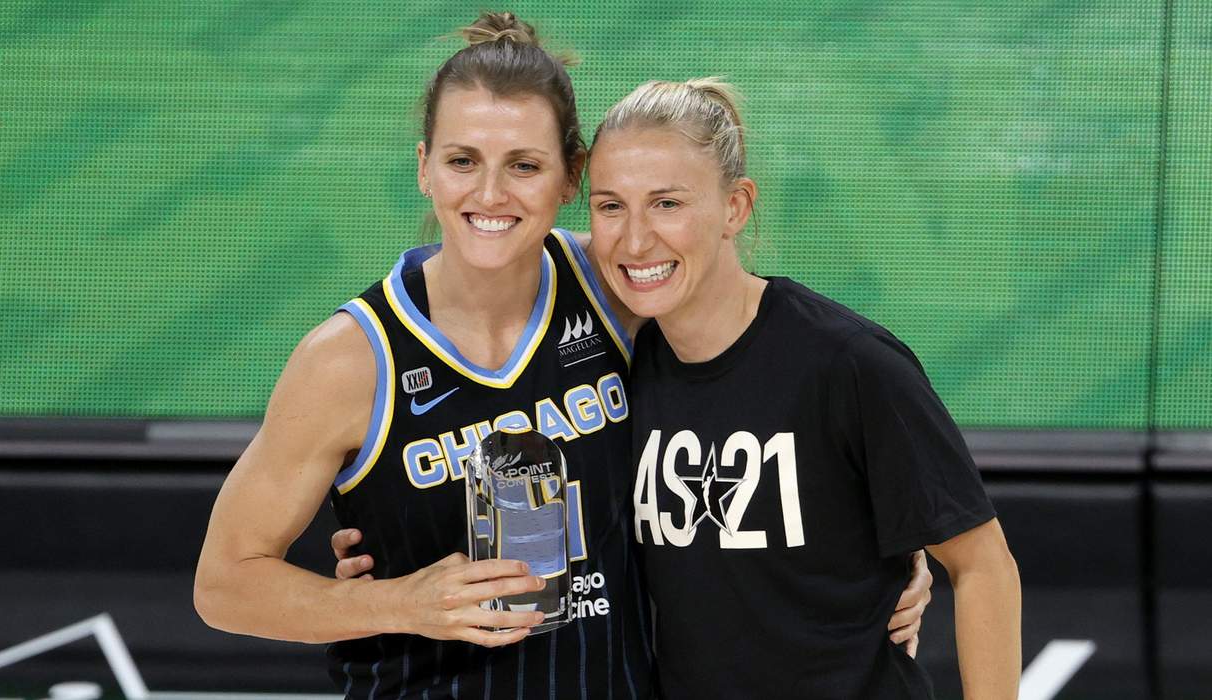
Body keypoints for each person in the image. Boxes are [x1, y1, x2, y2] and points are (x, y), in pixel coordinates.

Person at [195, 13, 653, 699]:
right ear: (424, 169)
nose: (490, 194)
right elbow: (224, 583)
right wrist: (400, 603)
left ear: (571, 175)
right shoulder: (351, 358)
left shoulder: (619, 289)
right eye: (462, 161)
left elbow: (765, 363)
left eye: (524, 165)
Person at [586, 78, 1022, 698]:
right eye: (610, 206)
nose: (634, 239)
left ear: (735, 207)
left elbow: (984, 566)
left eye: (667, 203)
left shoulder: (850, 362)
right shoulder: (622, 364)